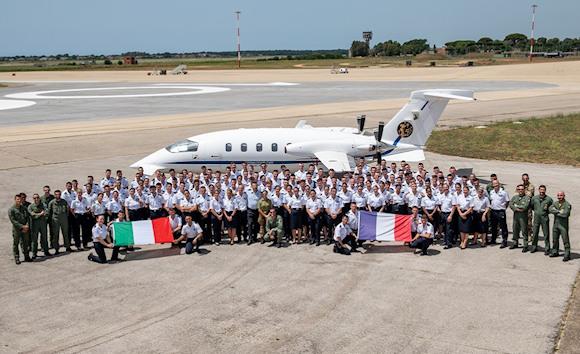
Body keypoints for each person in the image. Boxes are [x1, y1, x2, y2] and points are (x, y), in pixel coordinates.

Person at [549, 191, 572, 262]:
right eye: (558, 195)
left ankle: (567, 254)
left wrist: (556, 212)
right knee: (555, 239)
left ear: (564, 196)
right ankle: (555, 251)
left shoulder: (567, 204)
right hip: (556, 225)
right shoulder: (555, 203)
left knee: (565, 240)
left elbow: (565, 214)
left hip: (563, 226)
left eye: (561, 195)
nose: (559, 197)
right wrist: (559, 212)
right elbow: (550, 209)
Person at [530, 185, 553, 254]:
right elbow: (532, 206)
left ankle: (547, 248)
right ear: (539, 190)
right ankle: (534, 247)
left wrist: (545, 213)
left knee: (546, 234)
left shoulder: (549, 199)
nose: (542, 191)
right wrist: (537, 212)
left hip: (544, 218)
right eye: (541, 190)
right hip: (536, 218)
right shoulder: (534, 198)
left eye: (543, 190)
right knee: (535, 233)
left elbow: (551, 208)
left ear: (545, 190)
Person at [9, 194, 31, 264]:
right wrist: (22, 227)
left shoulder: (24, 208)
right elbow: (13, 221)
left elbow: (27, 217)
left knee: (25, 243)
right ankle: (17, 258)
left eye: (20, 199)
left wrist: (27, 225)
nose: (19, 200)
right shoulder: (11, 209)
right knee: (16, 244)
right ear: (15, 200)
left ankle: (26, 256)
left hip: (25, 229)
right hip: (17, 230)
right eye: (17, 199)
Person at [509, 184, 531, 251]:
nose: (520, 191)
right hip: (516, 216)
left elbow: (525, 206)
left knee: (524, 231)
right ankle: (515, 243)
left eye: (522, 189)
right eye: (519, 189)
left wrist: (517, 206)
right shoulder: (515, 197)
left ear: (524, 190)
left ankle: (525, 245)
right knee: (515, 229)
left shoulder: (527, 198)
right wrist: (517, 208)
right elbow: (511, 204)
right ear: (517, 190)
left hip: (523, 217)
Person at [28, 194, 50, 258]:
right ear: (33, 199)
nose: (36, 199)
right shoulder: (31, 206)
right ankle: (34, 253)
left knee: (44, 238)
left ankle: (46, 251)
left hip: (43, 224)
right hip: (35, 225)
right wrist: (40, 214)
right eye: (35, 198)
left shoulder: (43, 205)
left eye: (37, 198)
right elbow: (32, 215)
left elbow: (46, 212)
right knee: (34, 240)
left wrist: (37, 214)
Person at [489, 180, 510, 248]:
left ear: (499, 184)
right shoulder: (491, 192)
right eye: (494, 184)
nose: (495, 185)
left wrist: (503, 208)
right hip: (493, 211)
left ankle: (504, 241)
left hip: (500, 211)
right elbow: (491, 201)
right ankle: (493, 239)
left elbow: (507, 201)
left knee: (503, 227)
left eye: (496, 184)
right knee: (493, 226)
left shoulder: (504, 192)